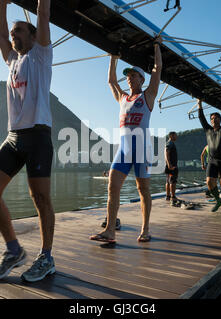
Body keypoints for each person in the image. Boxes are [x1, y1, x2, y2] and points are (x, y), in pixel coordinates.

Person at [0, 0, 55, 282]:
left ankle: (46, 257)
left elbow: (44, 13)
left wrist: (40, 7)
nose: (14, 35)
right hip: (13, 137)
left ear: (34, 35)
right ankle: (14, 250)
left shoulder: (41, 54)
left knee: (40, 198)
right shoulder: (13, 59)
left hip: (38, 135)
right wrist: (2, 3)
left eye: (20, 30)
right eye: (14, 32)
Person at [90, 37, 162, 244]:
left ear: (141, 79)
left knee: (143, 189)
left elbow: (157, 69)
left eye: (133, 76)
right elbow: (111, 82)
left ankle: (145, 229)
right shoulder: (122, 98)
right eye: (128, 76)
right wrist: (113, 59)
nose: (129, 79)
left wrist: (157, 46)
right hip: (124, 150)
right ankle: (110, 230)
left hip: (142, 150)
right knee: (113, 186)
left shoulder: (148, 96)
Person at [198, 95, 221, 214]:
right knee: (209, 182)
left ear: (220, 119)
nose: (214, 120)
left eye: (217, 118)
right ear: (211, 121)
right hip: (212, 161)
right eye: (212, 118)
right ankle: (218, 200)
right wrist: (199, 104)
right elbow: (201, 118)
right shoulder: (208, 130)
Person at [165, 132, 178, 204]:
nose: (176, 137)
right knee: (172, 181)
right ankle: (173, 197)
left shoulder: (169, 143)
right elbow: (166, 152)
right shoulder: (170, 143)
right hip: (171, 166)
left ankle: (168, 196)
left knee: (168, 181)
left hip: (169, 165)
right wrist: (169, 164)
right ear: (171, 136)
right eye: (175, 136)